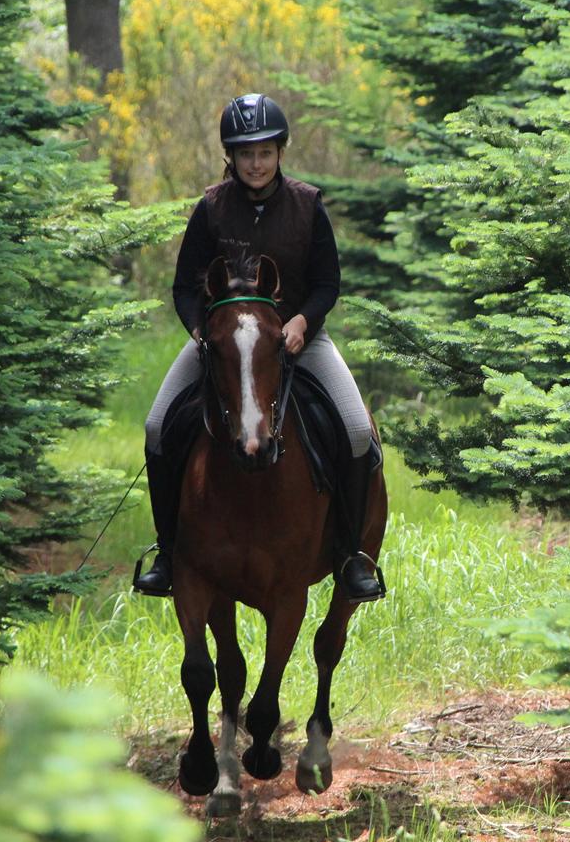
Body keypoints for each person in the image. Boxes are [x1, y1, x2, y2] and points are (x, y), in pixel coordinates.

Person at [133, 92, 384, 603]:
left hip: (297, 336)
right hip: (225, 342)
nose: (255, 163)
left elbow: (327, 284)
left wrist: (302, 322)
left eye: (265, 152)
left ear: (280, 153)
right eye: (245, 154)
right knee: (158, 424)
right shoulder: (210, 207)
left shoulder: (308, 205)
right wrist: (201, 333)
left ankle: (351, 556)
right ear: (230, 156)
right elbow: (185, 287)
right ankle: (168, 550)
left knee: (358, 429)